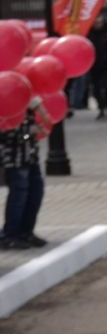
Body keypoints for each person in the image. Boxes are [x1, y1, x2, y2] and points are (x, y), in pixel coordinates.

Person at [0, 101, 46, 251]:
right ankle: (10, 235)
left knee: (35, 192)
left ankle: (25, 232)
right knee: (19, 195)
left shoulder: (27, 102)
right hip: (14, 158)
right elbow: (5, 131)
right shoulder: (6, 99)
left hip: (29, 155)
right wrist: (28, 130)